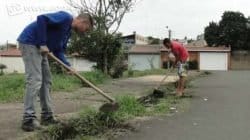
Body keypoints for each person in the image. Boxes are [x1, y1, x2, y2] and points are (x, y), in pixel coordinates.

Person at [17, 11, 93, 131]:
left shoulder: (67, 32)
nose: (85, 31)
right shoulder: (65, 17)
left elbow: (58, 51)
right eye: (86, 29)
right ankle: (28, 119)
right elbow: (41, 18)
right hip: (30, 42)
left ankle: (47, 116)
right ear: (83, 22)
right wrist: (42, 43)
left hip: (40, 49)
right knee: (35, 79)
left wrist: (68, 66)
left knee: (46, 81)